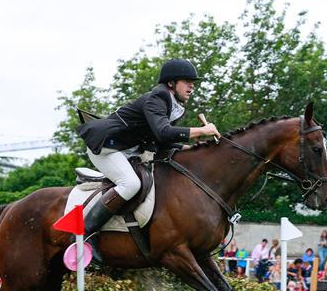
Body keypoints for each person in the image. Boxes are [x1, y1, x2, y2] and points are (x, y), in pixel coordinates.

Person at [76, 59, 220, 246]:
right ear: (171, 83)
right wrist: (201, 130)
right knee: (130, 184)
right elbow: (164, 132)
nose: (192, 86)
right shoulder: (158, 98)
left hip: (126, 150)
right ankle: (86, 233)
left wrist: (196, 150)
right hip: (106, 147)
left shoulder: (173, 106)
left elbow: (162, 142)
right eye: (186, 81)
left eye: (192, 82)